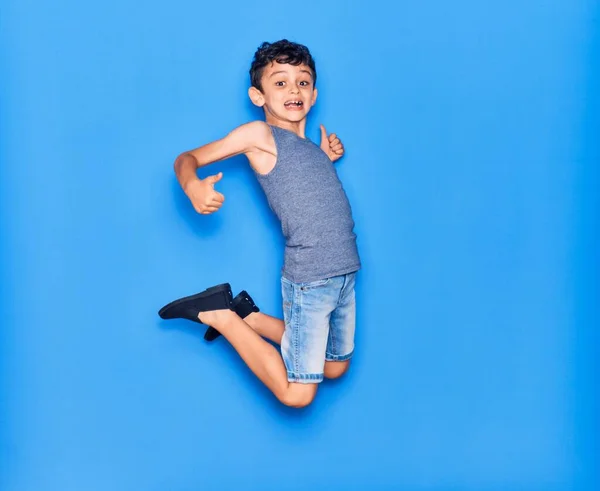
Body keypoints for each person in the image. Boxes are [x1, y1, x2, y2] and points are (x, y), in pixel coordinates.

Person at [159, 39, 361, 408]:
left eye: (302, 81)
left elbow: (304, 192)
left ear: (313, 95)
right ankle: (220, 315)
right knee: (297, 395)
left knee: (334, 368)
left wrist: (324, 159)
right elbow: (186, 158)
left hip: (345, 272)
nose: (293, 89)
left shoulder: (310, 148)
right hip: (311, 278)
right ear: (258, 96)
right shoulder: (260, 137)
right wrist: (192, 185)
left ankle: (248, 316)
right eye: (280, 82)